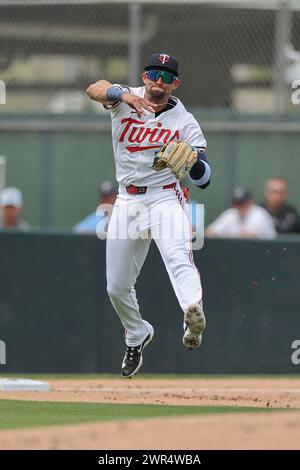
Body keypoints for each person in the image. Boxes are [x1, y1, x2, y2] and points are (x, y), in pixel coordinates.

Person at [87, 52, 211, 378]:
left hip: (164, 198)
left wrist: (193, 163)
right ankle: (137, 333)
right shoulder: (125, 99)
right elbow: (93, 89)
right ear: (144, 76)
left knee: (177, 256)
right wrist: (123, 94)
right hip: (127, 200)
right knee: (116, 286)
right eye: (155, 73)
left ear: (175, 83)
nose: (160, 81)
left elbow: (204, 177)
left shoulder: (185, 121)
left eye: (167, 76)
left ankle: (192, 312)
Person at [206, 188, 276, 239]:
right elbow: (209, 232)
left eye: (242, 203)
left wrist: (224, 234)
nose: (239, 206)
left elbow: (252, 236)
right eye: (237, 203)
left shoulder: (260, 214)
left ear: (250, 202)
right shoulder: (231, 214)